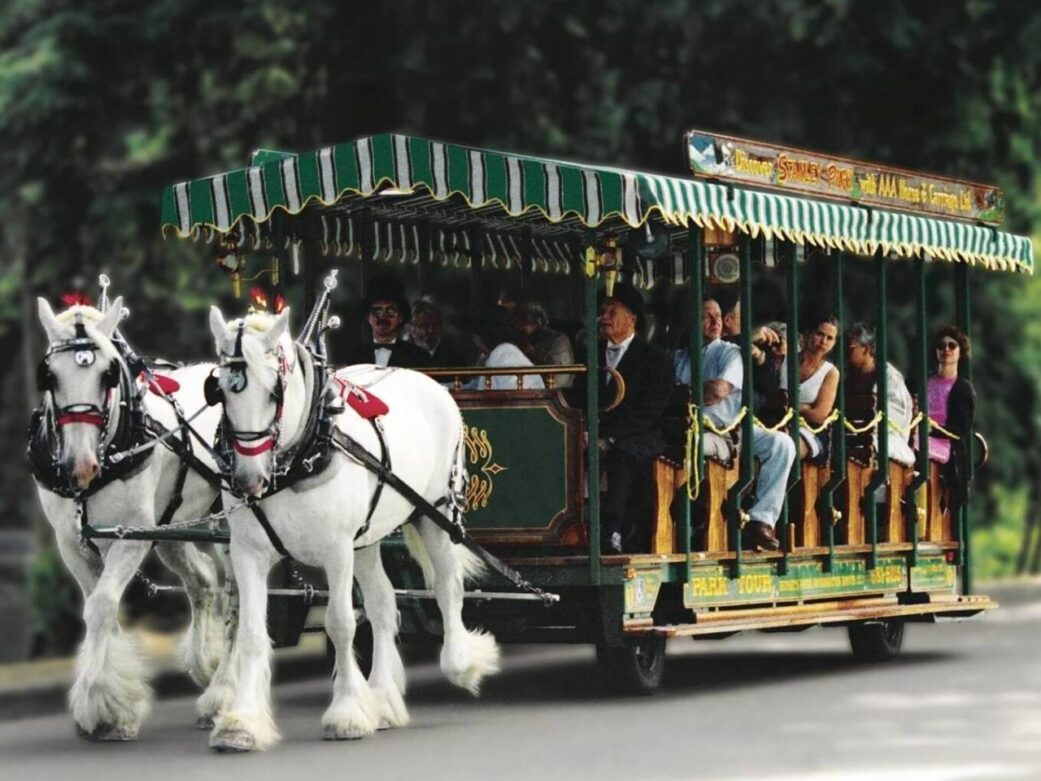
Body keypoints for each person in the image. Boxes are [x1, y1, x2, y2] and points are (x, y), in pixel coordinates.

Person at [679, 296, 795, 552]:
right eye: (707, 315)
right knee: (682, 442)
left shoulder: (729, 351)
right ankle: (692, 525)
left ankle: (761, 520)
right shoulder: (678, 356)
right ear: (689, 322)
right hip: (693, 428)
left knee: (783, 444)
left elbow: (718, 391)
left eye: (719, 315)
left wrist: (682, 393)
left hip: (730, 429)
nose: (715, 321)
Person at [581, 283, 673, 554]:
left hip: (643, 433)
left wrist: (607, 435)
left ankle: (614, 530)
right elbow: (579, 396)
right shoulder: (591, 354)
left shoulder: (655, 358)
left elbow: (649, 411)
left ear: (633, 318)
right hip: (599, 431)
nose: (604, 317)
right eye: (602, 311)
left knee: (622, 454)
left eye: (612, 311)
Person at [922, 325, 976, 515]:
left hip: (945, 444)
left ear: (960, 352)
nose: (946, 349)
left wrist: (930, 430)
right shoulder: (923, 381)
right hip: (918, 434)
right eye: (941, 345)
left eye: (952, 346)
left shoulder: (963, 388)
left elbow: (961, 429)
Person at [845, 323, 915, 466]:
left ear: (866, 350)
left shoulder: (890, 378)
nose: (845, 351)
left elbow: (896, 418)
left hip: (884, 438)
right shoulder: (847, 376)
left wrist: (865, 427)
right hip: (851, 436)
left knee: (862, 447)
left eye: (850, 348)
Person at [780, 313, 840, 462]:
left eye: (830, 338)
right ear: (808, 333)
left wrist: (790, 406)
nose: (823, 341)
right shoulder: (784, 361)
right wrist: (806, 407)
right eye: (820, 334)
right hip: (776, 425)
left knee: (785, 447)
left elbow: (820, 415)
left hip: (811, 433)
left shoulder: (830, 372)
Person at [340, 276, 431, 369]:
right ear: (368, 318)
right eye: (377, 311)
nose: (383, 316)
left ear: (400, 317)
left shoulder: (418, 357)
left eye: (390, 311)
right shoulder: (355, 357)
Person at [512, 299, 575, 387]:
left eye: (520, 320)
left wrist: (532, 354)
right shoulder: (521, 339)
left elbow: (559, 378)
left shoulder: (558, 341)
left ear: (533, 322)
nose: (516, 325)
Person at [408, 299, 467, 366]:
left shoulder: (455, 358)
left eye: (436, 325)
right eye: (425, 326)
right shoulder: (400, 357)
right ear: (411, 328)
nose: (431, 331)